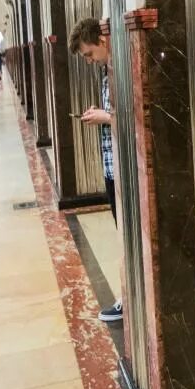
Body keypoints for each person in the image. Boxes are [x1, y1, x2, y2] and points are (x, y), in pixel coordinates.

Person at [68, 18, 123, 323]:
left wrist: (104, 116)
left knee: (127, 236)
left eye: (89, 54)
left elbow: (133, 114)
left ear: (102, 40)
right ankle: (129, 297)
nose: (89, 61)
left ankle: (128, 300)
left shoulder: (122, 68)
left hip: (121, 167)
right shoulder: (108, 70)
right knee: (122, 234)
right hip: (111, 165)